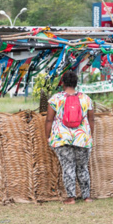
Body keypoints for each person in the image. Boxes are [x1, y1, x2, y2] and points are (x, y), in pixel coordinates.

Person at [45, 70, 95, 205]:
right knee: (83, 167)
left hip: (62, 138)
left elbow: (49, 120)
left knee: (68, 166)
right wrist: (89, 136)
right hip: (82, 138)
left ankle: (71, 197)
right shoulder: (86, 99)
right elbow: (91, 120)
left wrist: (47, 137)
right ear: (76, 83)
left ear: (63, 83)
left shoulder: (55, 99)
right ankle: (86, 197)